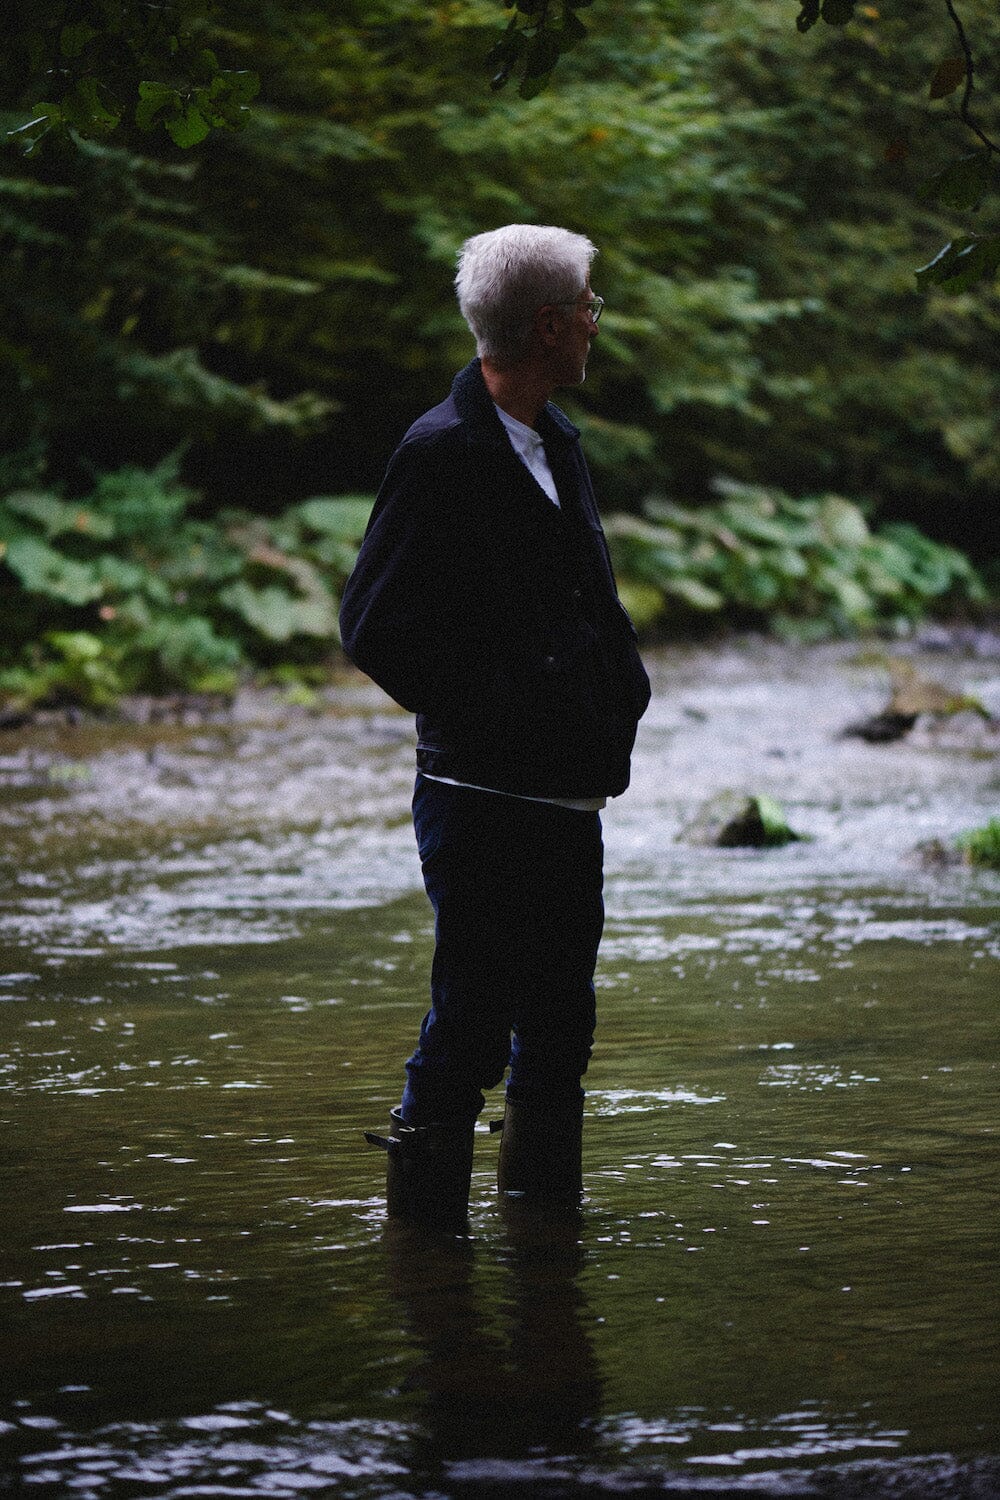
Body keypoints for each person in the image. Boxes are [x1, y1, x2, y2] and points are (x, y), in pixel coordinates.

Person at [340, 224, 650, 1228]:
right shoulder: (441, 452)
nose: (597, 323)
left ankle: (542, 1251)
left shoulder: (557, 438)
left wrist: (616, 694)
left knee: (561, 1028)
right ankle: (424, 1264)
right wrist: (499, 713)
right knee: (470, 1028)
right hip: (479, 799)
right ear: (553, 325)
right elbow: (373, 626)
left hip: (567, 795)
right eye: (590, 307)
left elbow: (582, 600)